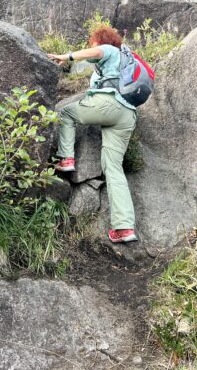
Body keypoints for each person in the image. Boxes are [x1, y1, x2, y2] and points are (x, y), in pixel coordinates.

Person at [47, 25, 138, 244]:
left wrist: (66, 56)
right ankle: (124, 228)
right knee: (113, 169)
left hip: (109, 105)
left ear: (99, 41)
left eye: (92, 42)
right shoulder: (127, 58)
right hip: (127, 115)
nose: (92, 46)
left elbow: (97, 52)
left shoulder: (109, 50)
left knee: (67, 113)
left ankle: (66, 158)